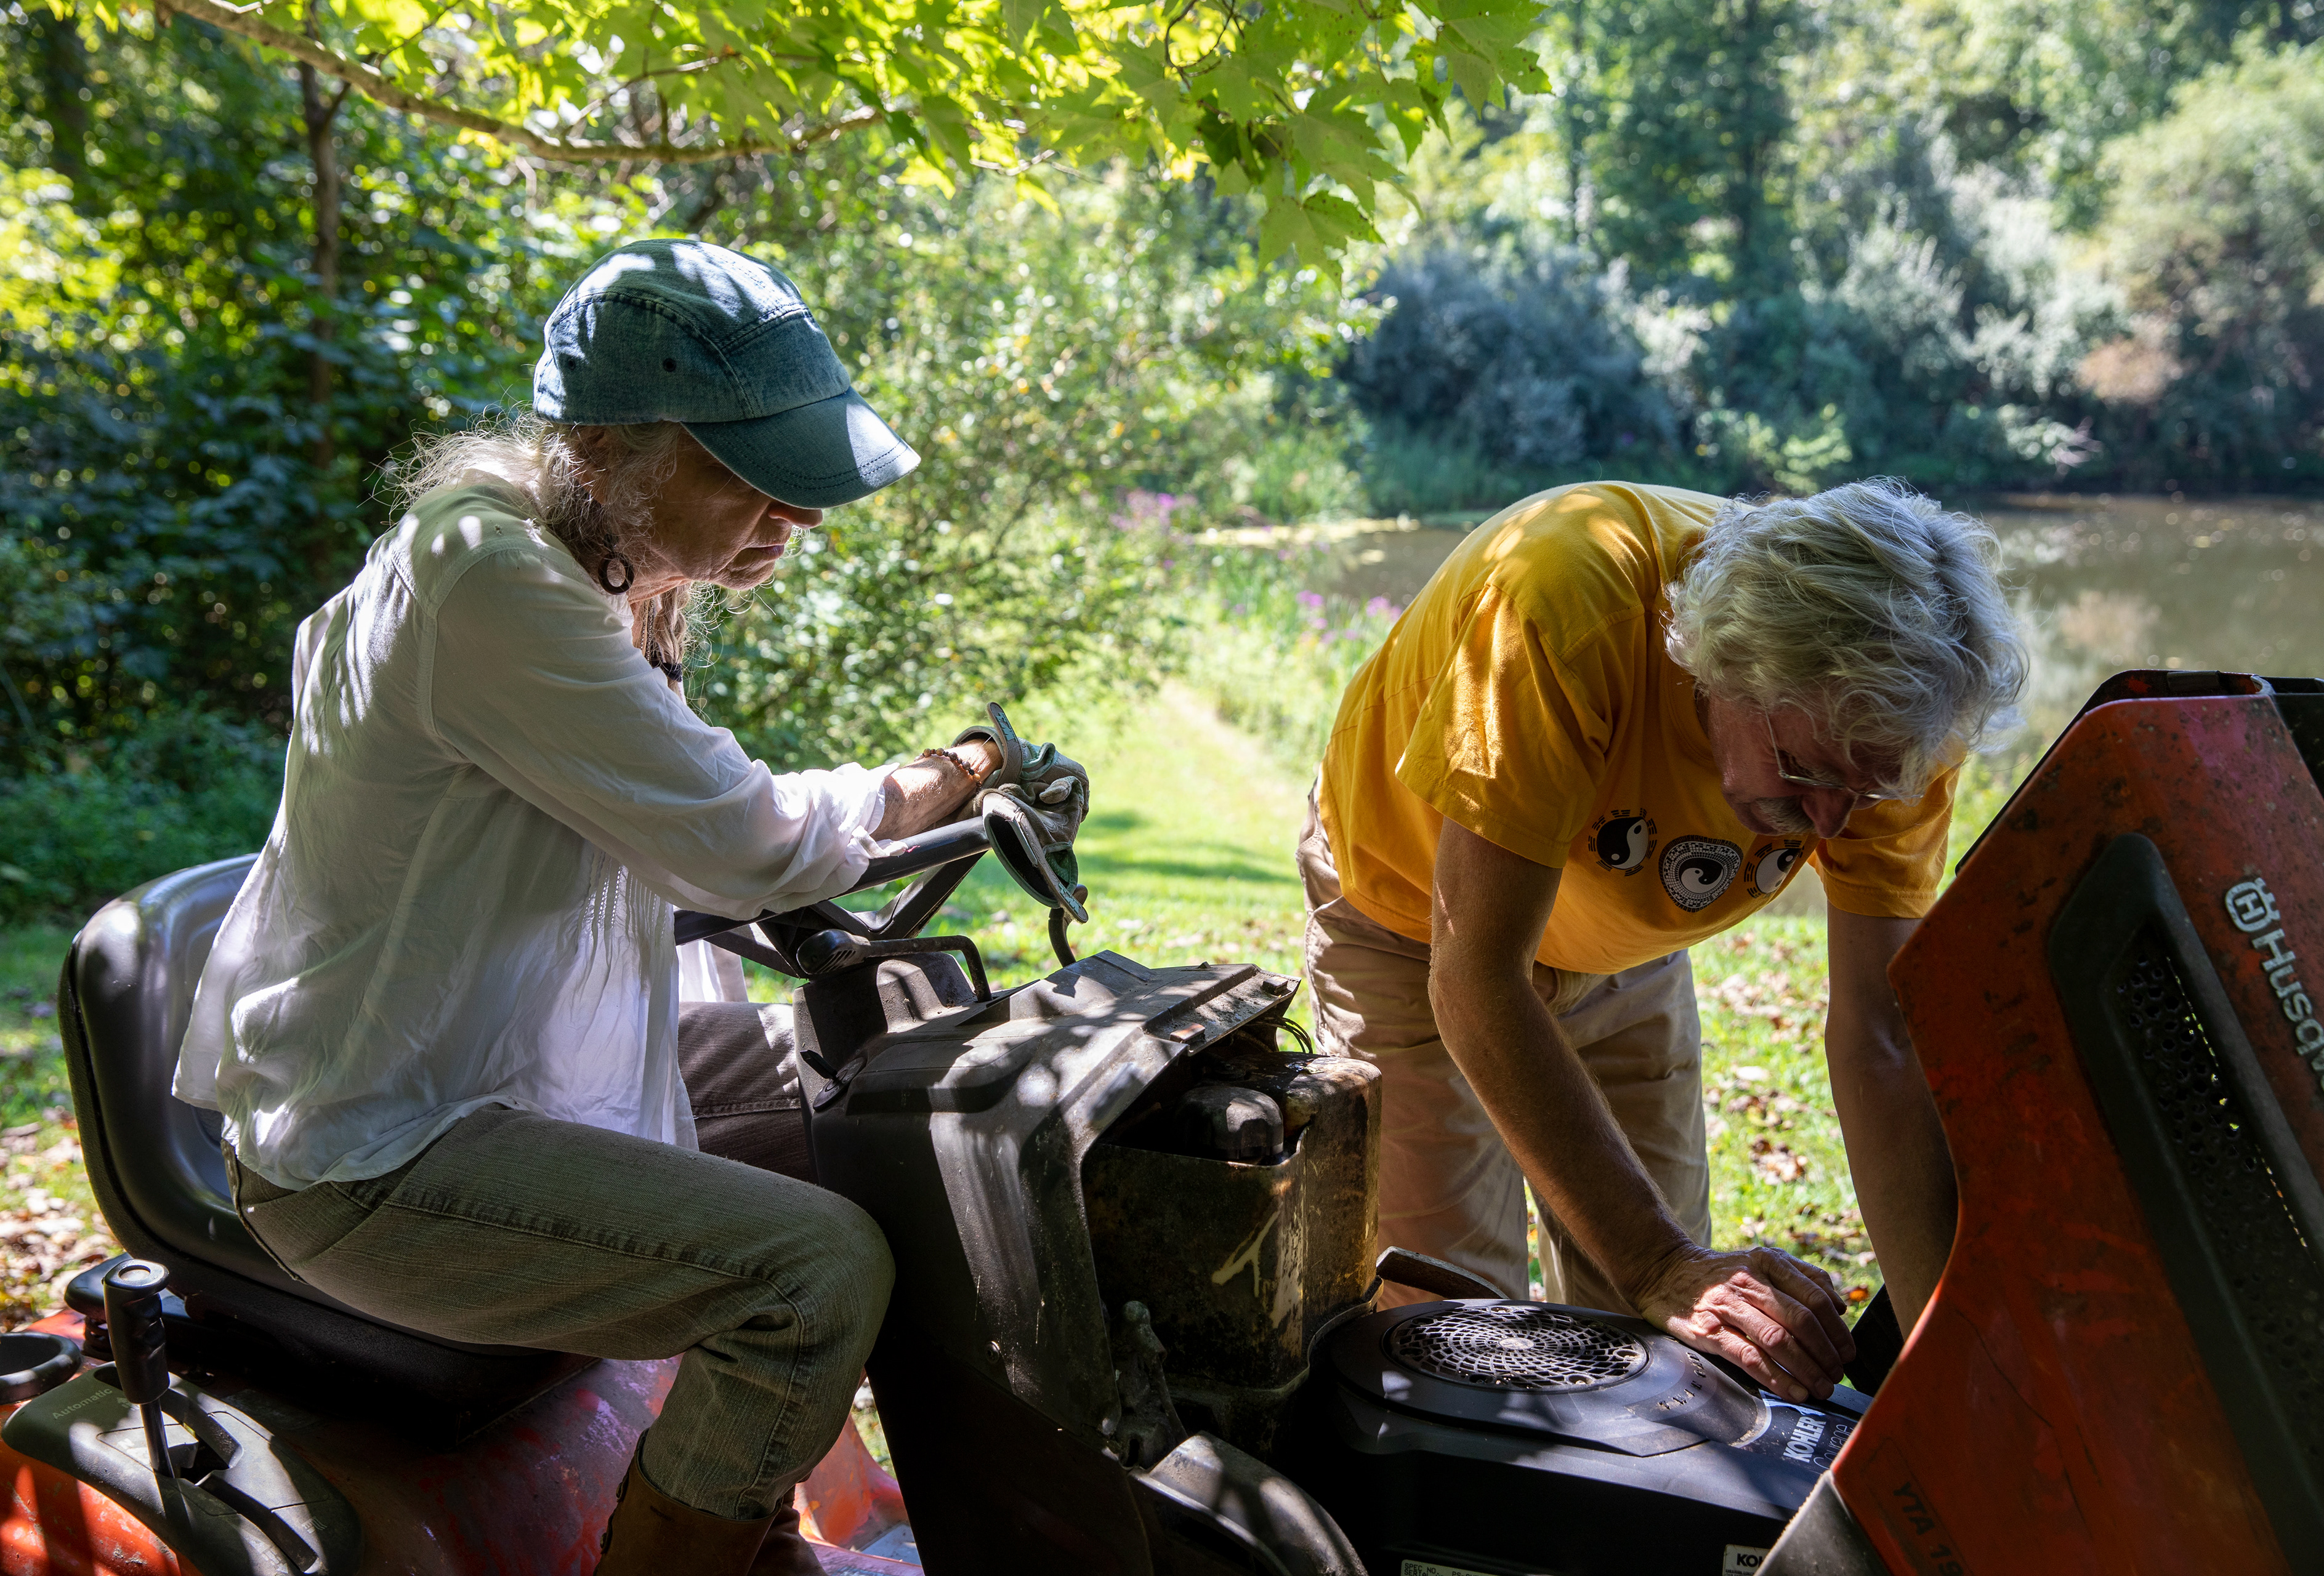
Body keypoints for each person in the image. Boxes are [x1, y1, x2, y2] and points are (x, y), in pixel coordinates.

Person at [173, 239, 1082, 1575]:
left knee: (862, 1100)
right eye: (752, 476)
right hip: (378, 1147)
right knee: (812, 1272)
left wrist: (889, 814)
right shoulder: (487, 578)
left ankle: (760, 1508)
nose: (799, 516)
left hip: (489, 1073)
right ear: (603, 444)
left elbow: (685, 820)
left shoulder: (585, 572)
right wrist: (954, 772)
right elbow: (745, 837)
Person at [1299, 478, 2025, 1403]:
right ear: (1721, 667)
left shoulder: (1901, 714)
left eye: (1869, 791)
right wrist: (1658, 1262)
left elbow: (1882, 1039)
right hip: (1411, 921)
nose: (1831, 828)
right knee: (1445, 1322)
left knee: (1663, 1345)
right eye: (1805, 775)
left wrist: (1952, 1372)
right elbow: (1476, 977)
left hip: (1621, 946)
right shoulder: (1564, 601)